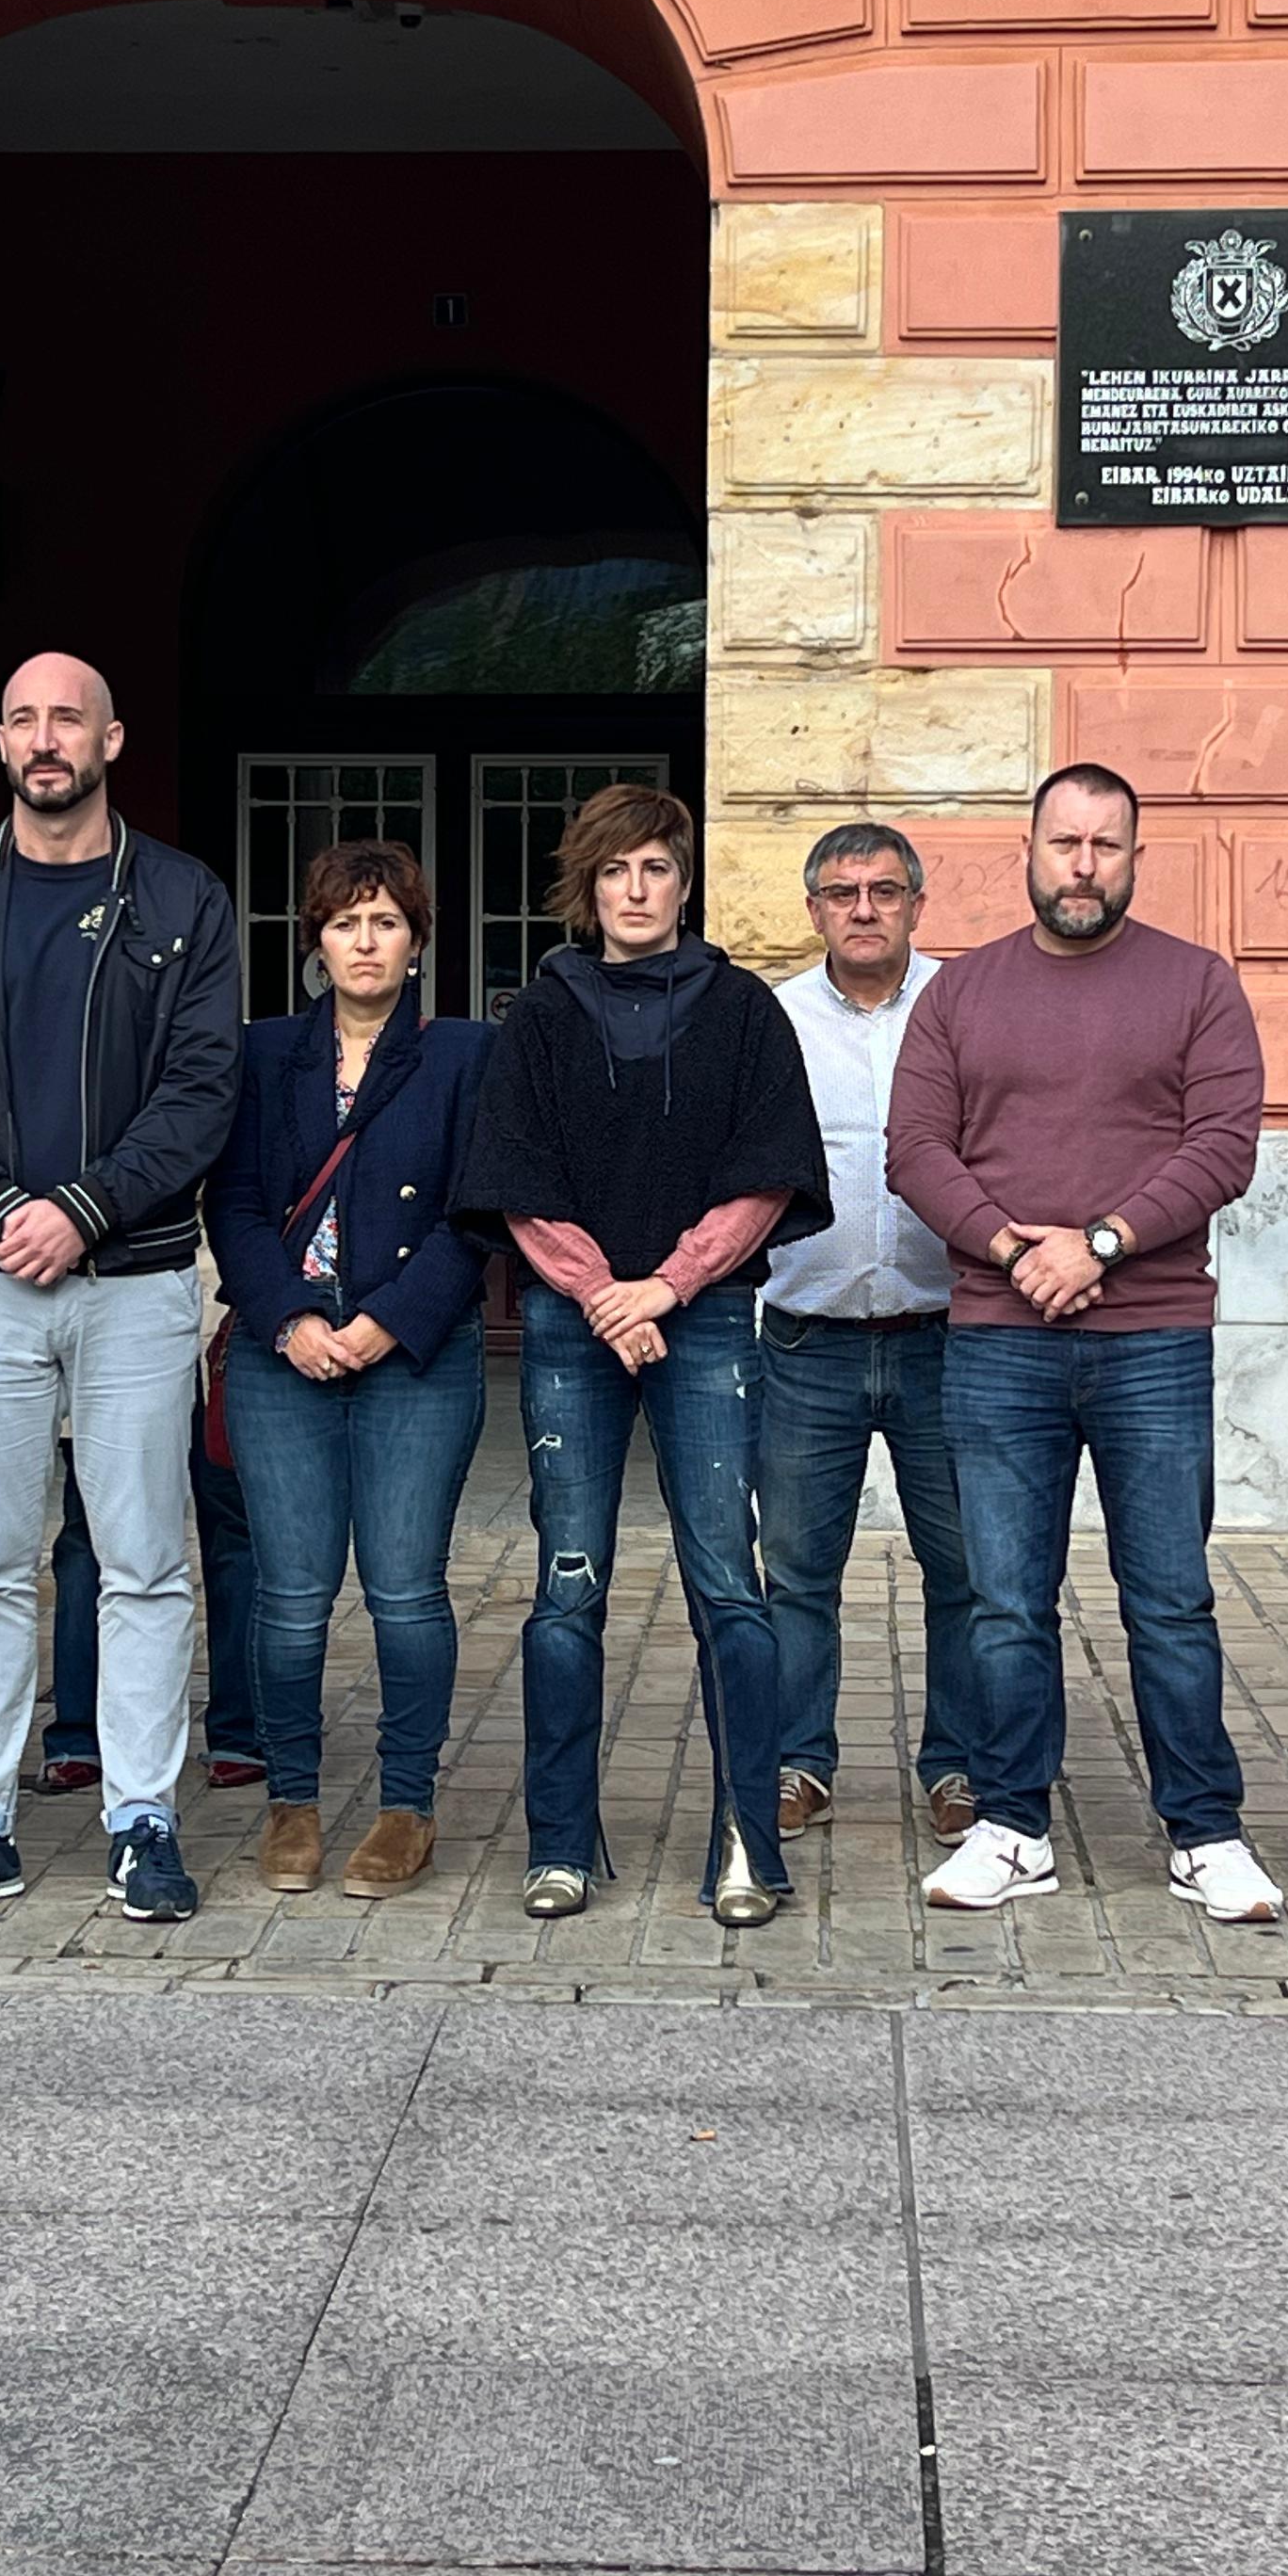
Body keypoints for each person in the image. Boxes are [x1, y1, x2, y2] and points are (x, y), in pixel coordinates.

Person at [0, 651, 241, 1925]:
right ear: (1, 741)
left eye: (67, 719)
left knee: (143, 1560)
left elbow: (203, 1090)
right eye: (23, 716)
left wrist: (83, 1208)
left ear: (112, 740)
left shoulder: (183, 897)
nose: (45, 738)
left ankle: (142, 1816)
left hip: (134, 1279)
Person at [886, 764, 1279, 1920]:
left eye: (1107, 845)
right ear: (1030, 848)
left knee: (1168, 1597)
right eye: (1066, 842)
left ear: (1135, 857)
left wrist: (1100, 1242)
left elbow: (1223, 1147)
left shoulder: (1198, 985)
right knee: (1007, 1600)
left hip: (1152, 1337)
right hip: (999, 1339)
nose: (1084, 864)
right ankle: (1013, 1825)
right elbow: (916, 1150)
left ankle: (1205, 1831)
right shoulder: (960, 995)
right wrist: (1018, 1251)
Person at [457, 783, 828, 1928]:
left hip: (704, 1316)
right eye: (615, 870)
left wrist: (664, 1286)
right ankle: (561, 1843)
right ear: (589, 883)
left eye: (657, 867)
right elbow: (517, 1183)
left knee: (729, 1582)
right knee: (569, 1586)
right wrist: (605, 1297)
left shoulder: (742, 1011)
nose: (635, 889)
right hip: (575, 1326)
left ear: (683, 880)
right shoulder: (541, 1016)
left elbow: (768, 1175)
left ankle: (746, 1846)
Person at [210, 839, 494, 1900]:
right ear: (316, 942)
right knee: (288, 1597)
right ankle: (291, 1798)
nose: (364, 941)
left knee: (407, 1593)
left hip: (414, 1356)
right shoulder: (264, 1052)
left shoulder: (464, 1054)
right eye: (344, 923)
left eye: (384, 922)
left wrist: (386, 1322)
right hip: (283, 1353)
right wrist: (285, 1318)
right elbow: (232, 1204)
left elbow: (479, 1213)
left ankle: (406, 1806)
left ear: (416, 941)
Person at [757, 822, 981, 1850]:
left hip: (949, 1334)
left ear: (916, 905)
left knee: (966, 1571)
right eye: (841, 893)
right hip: (808, 1339)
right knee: (799, 1572)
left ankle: (961, 1768)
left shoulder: (966, 1006)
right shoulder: (772, 1020)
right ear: (813, 910)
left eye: (884, 891)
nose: (862, 909)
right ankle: (800, 1761)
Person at [34, 1425, 259, 1795]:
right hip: (107, 1377)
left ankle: (240, 1729)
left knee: (233, 1527)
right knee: (89, 1533)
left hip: (215, 1371)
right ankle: (77, 1731)